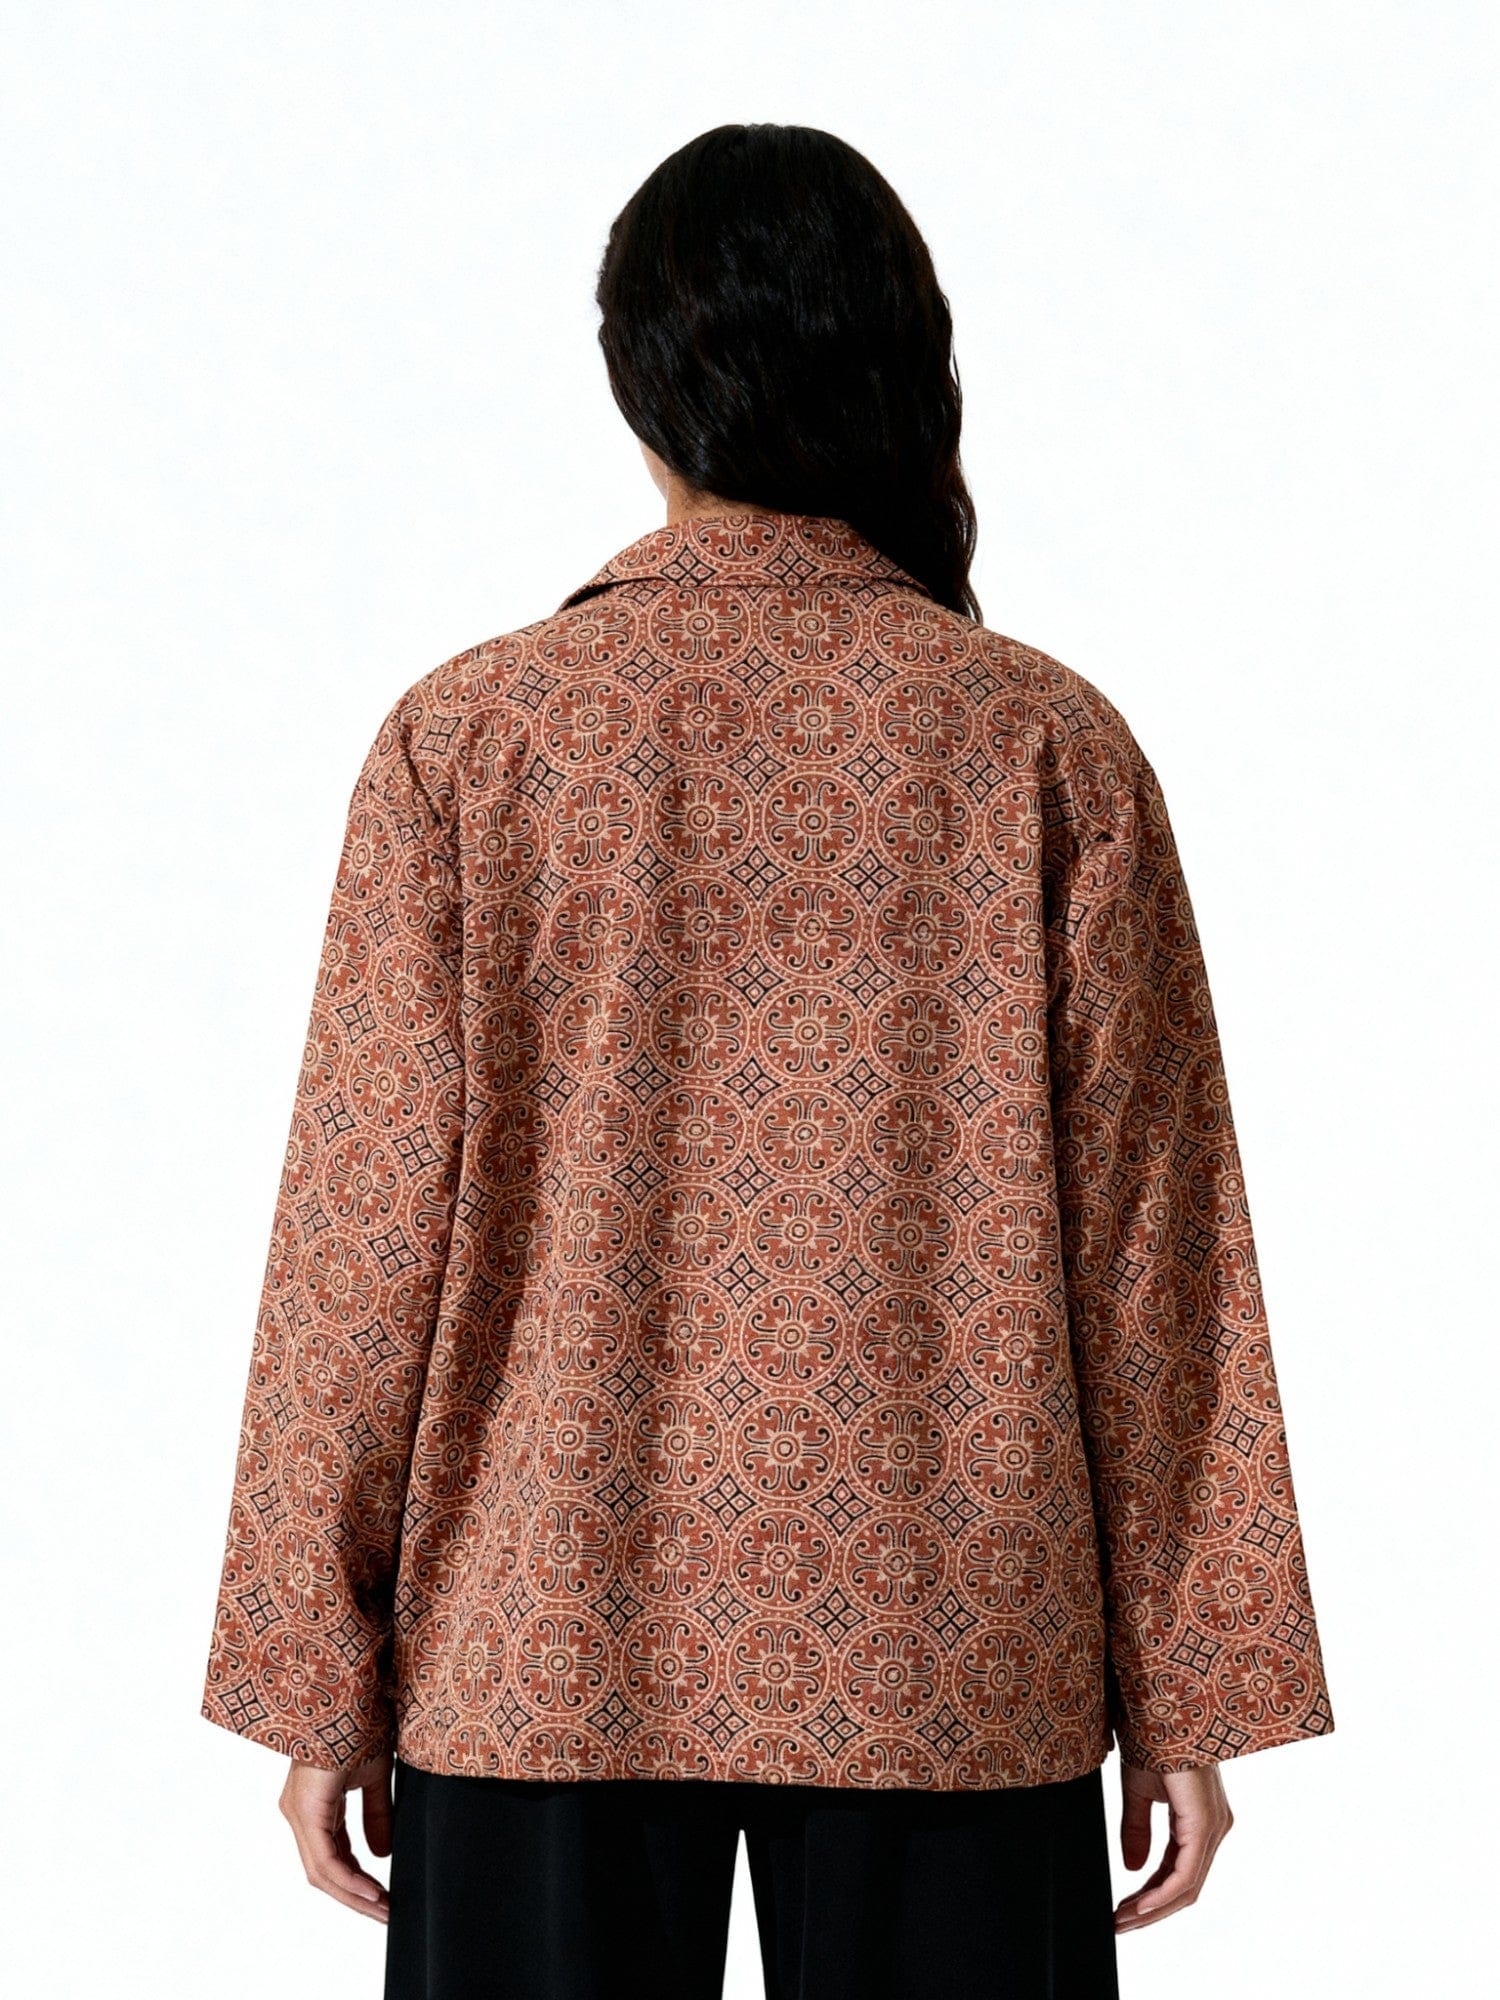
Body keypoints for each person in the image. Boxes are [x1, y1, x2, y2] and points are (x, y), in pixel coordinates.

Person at [200, 123, 1334, 1999]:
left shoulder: (473, 739)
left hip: (541, 1632)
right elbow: (1160, 1263)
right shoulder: (1043, 747)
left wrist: (317, 1671)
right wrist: (1192, 1686)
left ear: (639, 384)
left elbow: (363, 1227)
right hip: (949, 1643)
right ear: (902, 365)